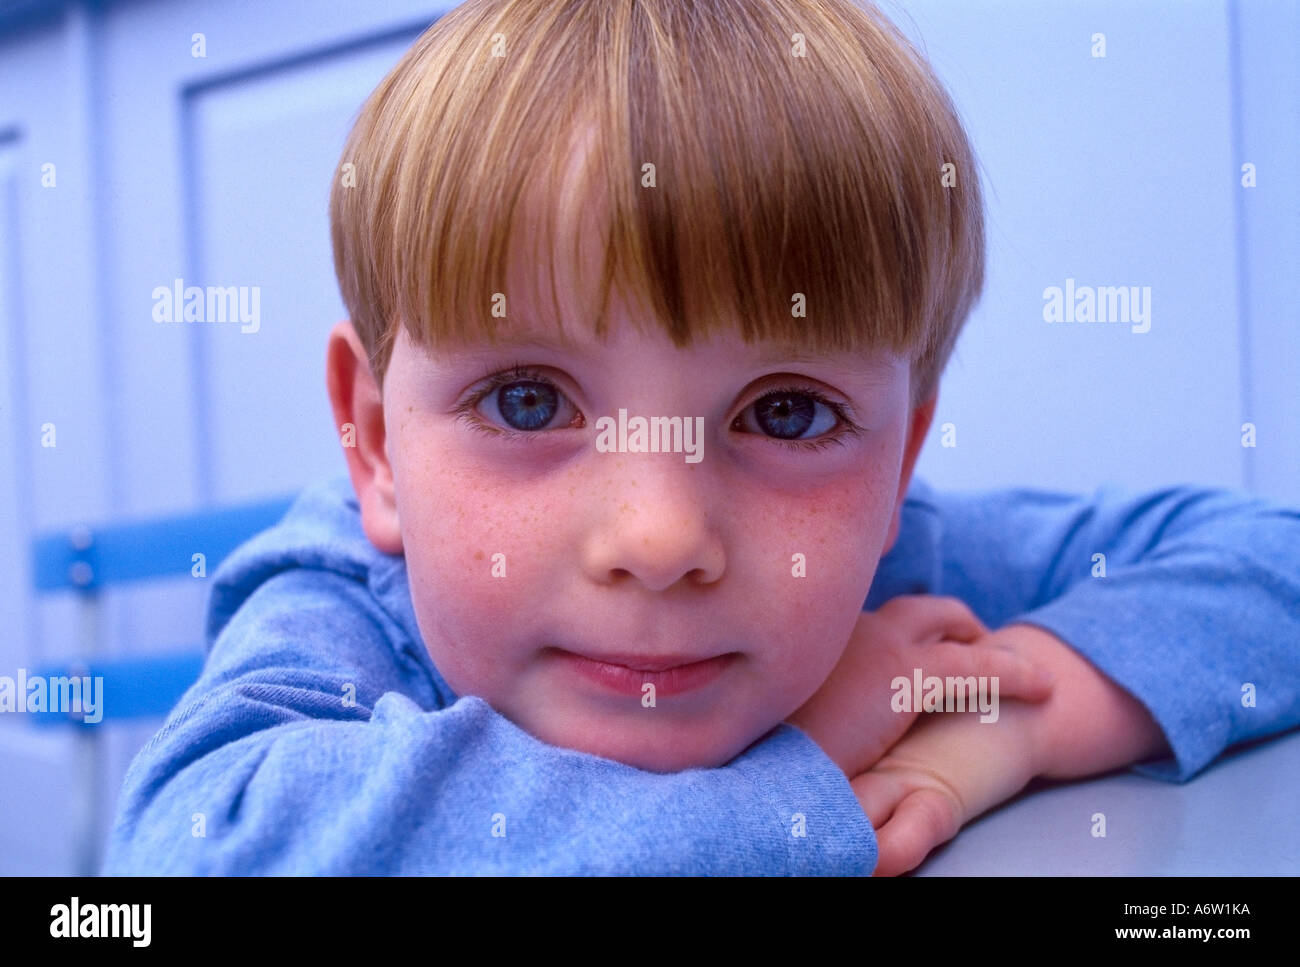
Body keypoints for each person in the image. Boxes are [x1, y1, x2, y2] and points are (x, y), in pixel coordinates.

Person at [102, 0, 1300, 875]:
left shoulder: (896, 568)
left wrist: (1021, 712)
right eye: (529, 400)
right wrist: (795, 778)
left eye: (784, 413)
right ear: (371, 443)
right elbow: (189, 854)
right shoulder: (336, 601)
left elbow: (1271, 556)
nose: (663, 537)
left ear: (899, 461)